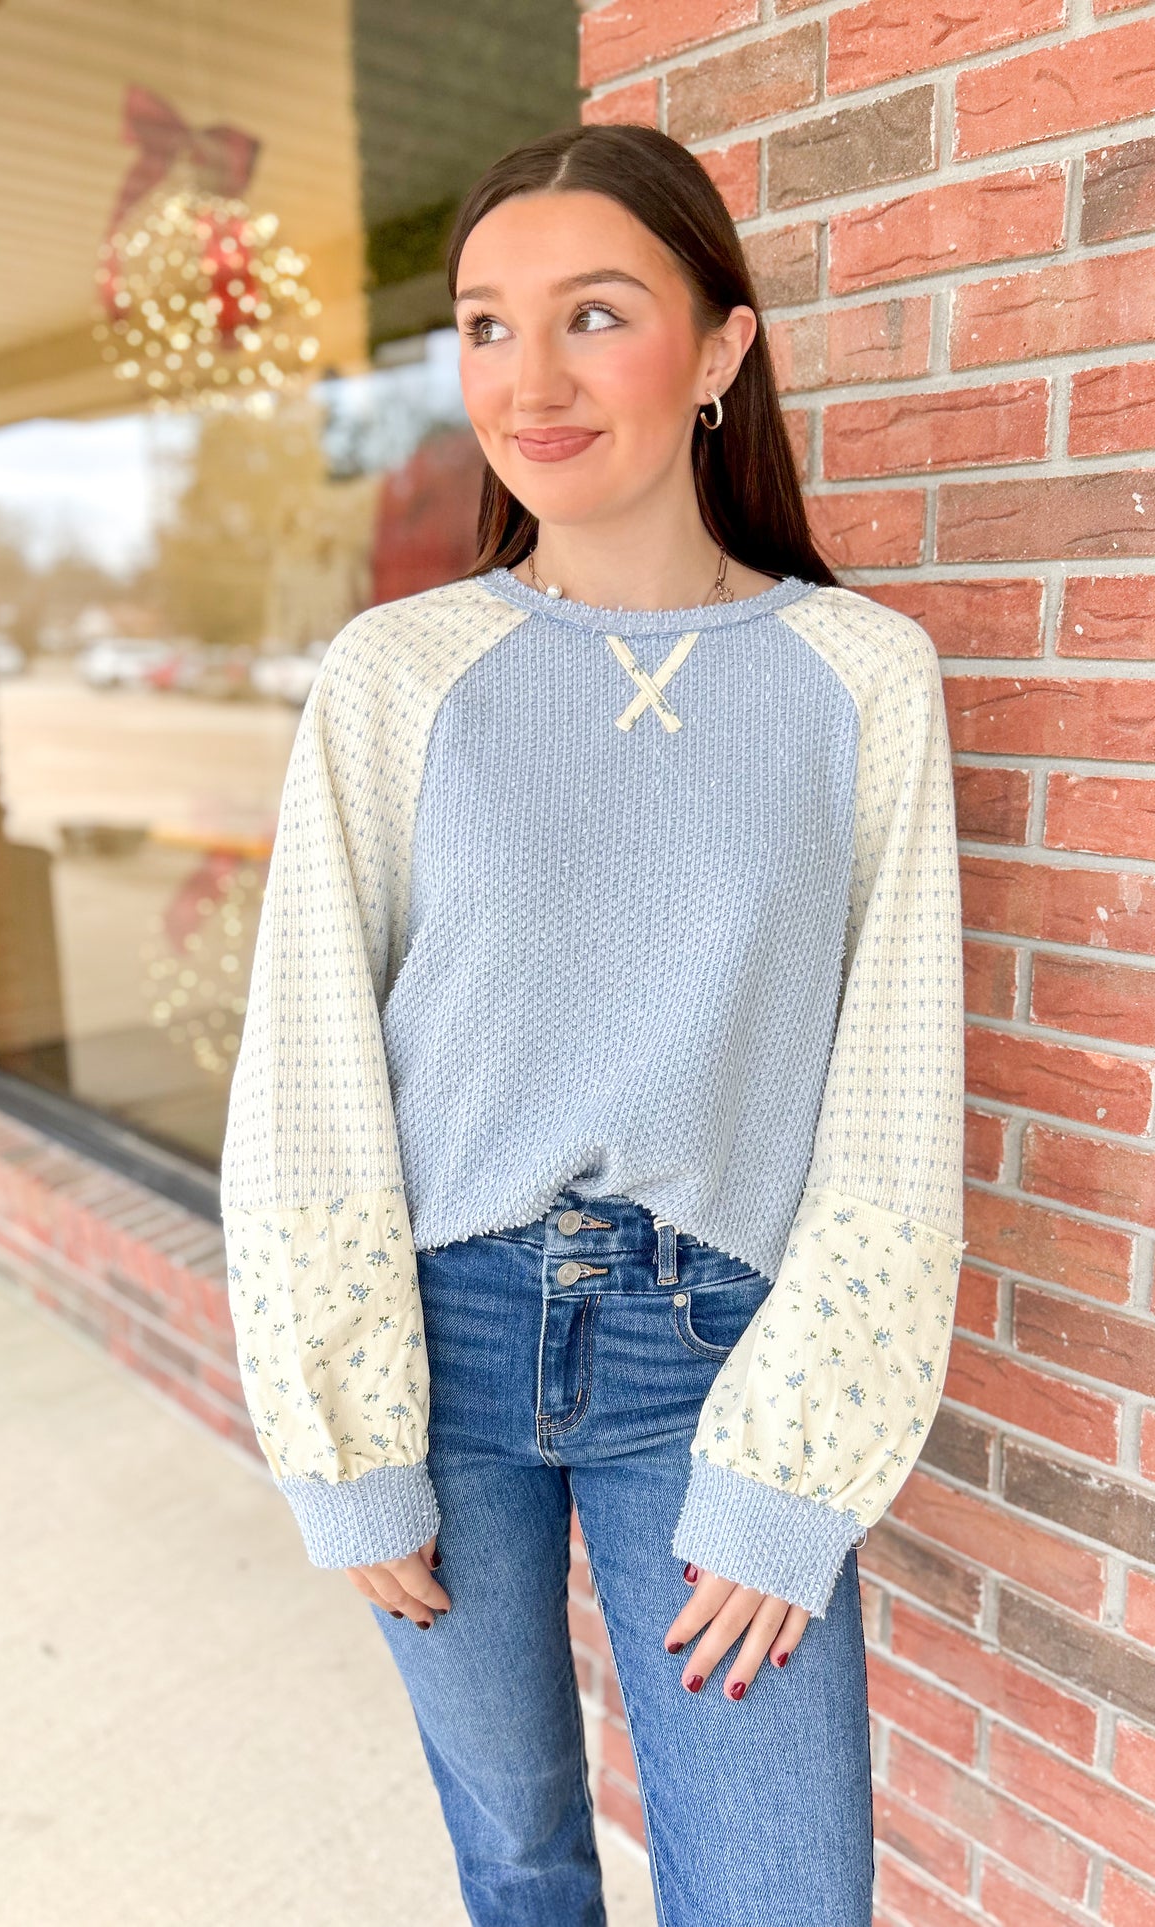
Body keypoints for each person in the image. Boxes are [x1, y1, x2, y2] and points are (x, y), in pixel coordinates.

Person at [219, 120, 966, 1927]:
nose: (527, 380)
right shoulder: (399, 676)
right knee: (519, 1860)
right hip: (433, 1343)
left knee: (781, 1898)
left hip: (715, 1361)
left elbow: (891, 1098)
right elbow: (307, 1067)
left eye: (594, 315)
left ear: (719, 349)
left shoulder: (861, 678)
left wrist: (796, 1474)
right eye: (486, 324)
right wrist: (344, 1440)